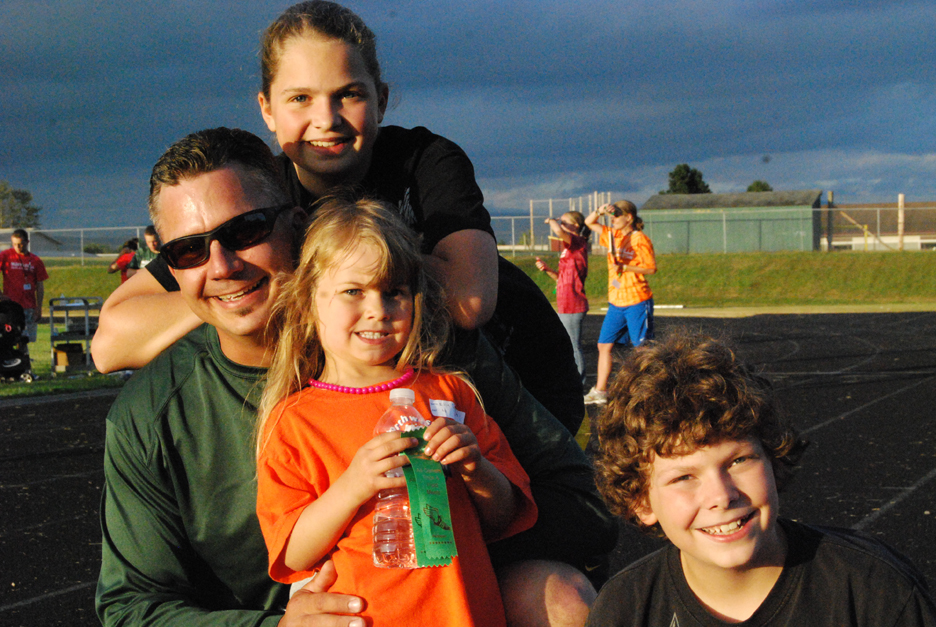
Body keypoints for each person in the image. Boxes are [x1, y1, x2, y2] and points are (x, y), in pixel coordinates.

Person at [97, 127, 612, 627]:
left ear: (296, 226)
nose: (222, 264)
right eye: (188, 251)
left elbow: (585, 508)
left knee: (560, 600)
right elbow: (131, 606)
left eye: (245, 230)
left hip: (452, 602)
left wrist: (428, 559)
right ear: (169, 267)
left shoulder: (435, 354)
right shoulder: (154, 413)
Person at [89, 0, 584, 438]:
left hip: (524, 384)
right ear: (266, 110)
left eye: (348, 94)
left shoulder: (426, 160)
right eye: (300, 98)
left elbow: (468, 299)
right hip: (406, 407)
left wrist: (314, 278)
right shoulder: (255, 194)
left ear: (382, 100)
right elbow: (111, 342)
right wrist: (239, 293)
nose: (326, 118)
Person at [255, 198, 538, 626]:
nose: (378, 311)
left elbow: (502, 516)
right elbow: (292, 551)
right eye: (354, 291)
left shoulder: (452, 392)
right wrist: (353, 486)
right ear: (309, 301)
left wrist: (474, 466)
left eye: (394, 292)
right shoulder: (294, 421)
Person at [587, 332, 936, 626]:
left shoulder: (872, 594)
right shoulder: (625, 610)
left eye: (739, 460)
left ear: (772, 457)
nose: (721, 496)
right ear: (641, 501)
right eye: (684, 478)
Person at [582, 200, 656, 406]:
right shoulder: (612, 236)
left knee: (642, 349)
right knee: (603, 345)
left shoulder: (639, 239)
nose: (613, 220)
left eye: (617, 216)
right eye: (612, 217)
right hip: (616, 302)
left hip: (637, 300)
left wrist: (625, 267)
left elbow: (650, 268)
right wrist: (600, 210)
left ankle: (649, 389)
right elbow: (589, 222)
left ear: (629, 218)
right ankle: (600, 390)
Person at [535, 211, 589, 387]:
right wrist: (548, 270)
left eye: (564, 221)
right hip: (565, 303)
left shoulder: (578, 242)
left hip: (573, 303)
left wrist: (551, 220)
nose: (561, 224)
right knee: (565, 344)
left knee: (573, 345)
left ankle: (579, 383)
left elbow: (559, 232)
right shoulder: (568, 249)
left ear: (575, 225)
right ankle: (571, 379)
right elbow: (561, 278)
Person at [0, 229, 48, 354]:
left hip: (28, 306)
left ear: (27, 242)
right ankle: (17, 364)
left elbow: (40, 285)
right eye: (15, 244)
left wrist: (39, 307)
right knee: (12, 336)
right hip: (11, 307)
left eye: (21, 244)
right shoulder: (5, 256)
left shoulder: (35, 260)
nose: (18, 247)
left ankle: (25, 365)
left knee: (26, 339)